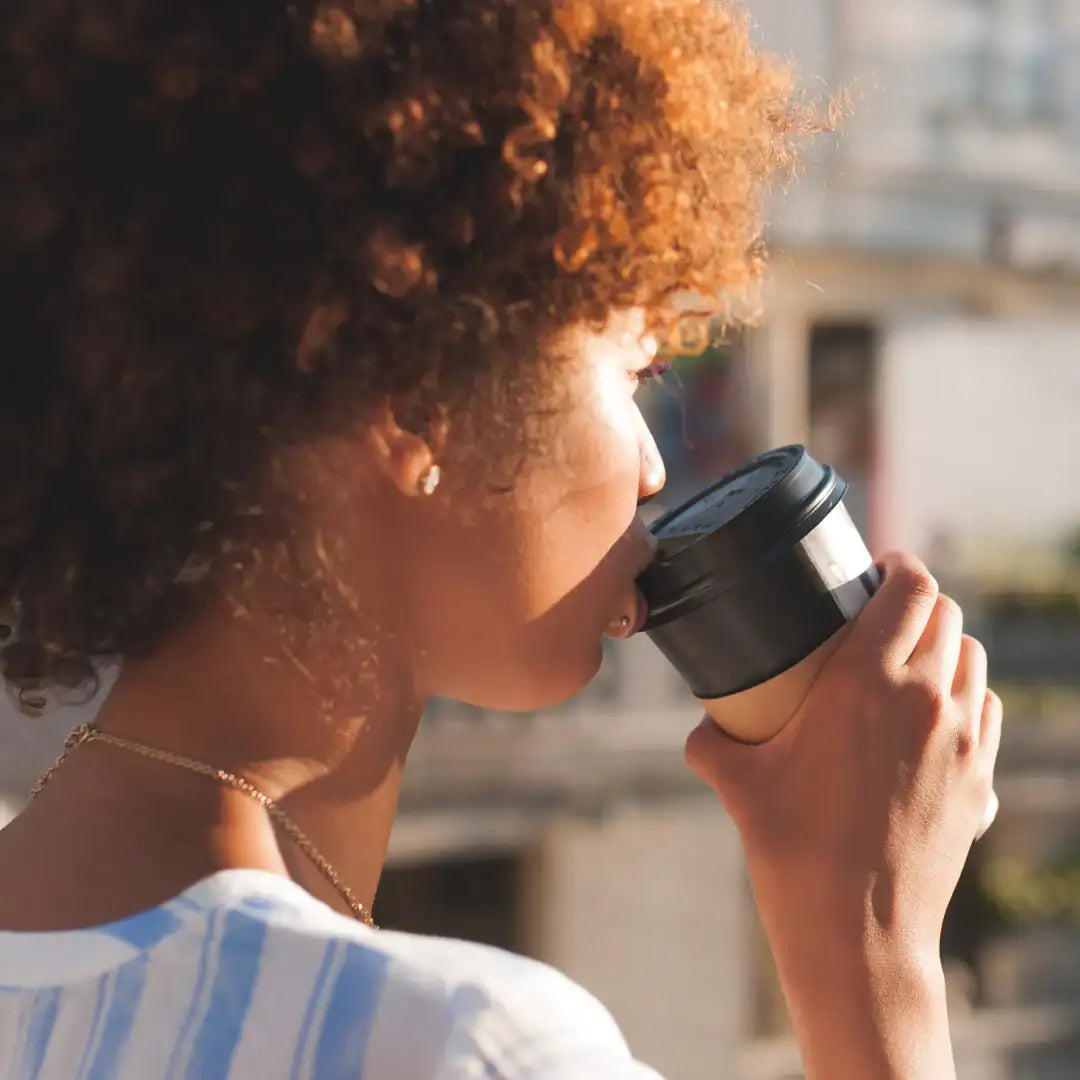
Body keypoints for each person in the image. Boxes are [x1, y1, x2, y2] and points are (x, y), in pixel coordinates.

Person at [0, 1, 999, 1077]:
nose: (658, 469)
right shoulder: (469, 1045)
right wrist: (874, 945)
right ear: (422, 401)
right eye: (635, 370)